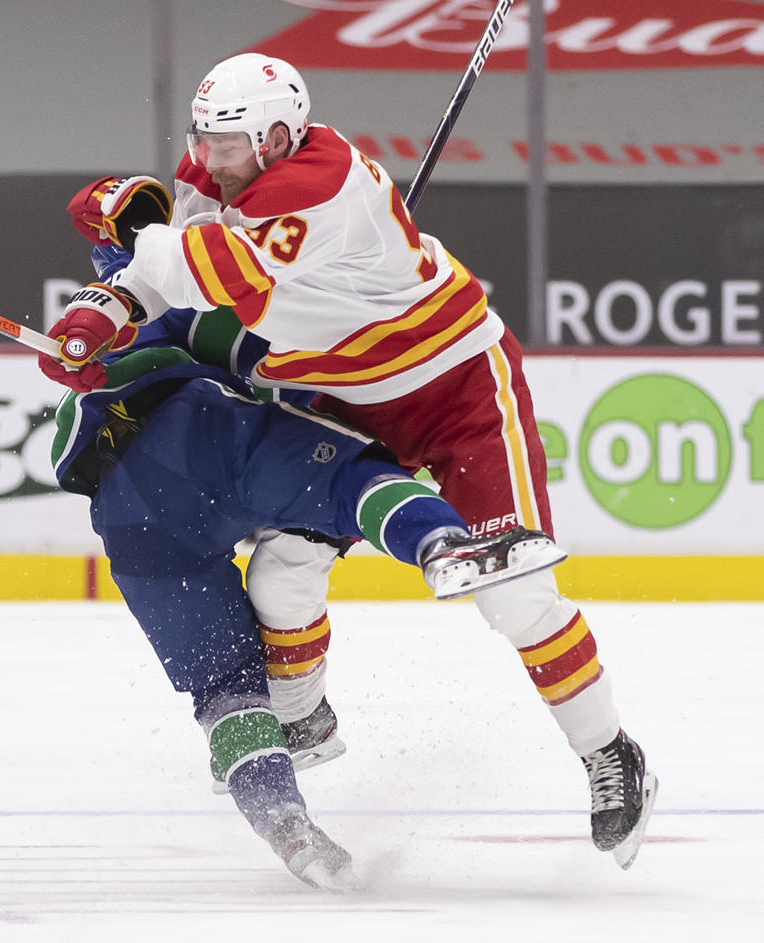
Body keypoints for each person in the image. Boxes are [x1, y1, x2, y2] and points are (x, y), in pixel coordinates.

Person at [44, 53, 658, 870]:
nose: (208, 157)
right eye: (203, 139)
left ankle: (611, 752)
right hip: (348, 396)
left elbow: (200, 268)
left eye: (227, 145)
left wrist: (128, 249)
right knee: (280, 575)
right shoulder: (226, 165)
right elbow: (170, 281)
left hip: (458, 387)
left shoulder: (319, 184)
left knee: (514, 592)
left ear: (275, 137)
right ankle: (303, 717)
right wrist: (108, 308)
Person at [39, 318, 555, 888]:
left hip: (134, 520)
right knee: (349, 486)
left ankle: (286, 825)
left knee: (226, 692)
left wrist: (92, 338)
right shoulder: (161, 317)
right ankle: (440, 544)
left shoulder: (105, 478)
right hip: (205, 428)